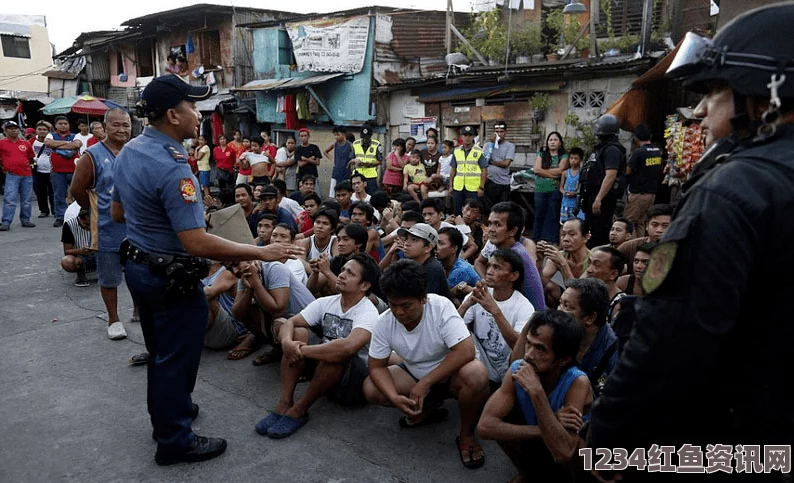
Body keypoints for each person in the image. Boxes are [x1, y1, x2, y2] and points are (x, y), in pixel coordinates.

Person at [588, 5, 794, 481]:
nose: (699, 110)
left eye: (716, 89)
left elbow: (670, 336)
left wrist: (611, 432)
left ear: (768, 94)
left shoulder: (735, 189)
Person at [112, 74, 304, 466]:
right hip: (171, 278)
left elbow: (118, 211)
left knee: (161, 351)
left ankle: (170, 412)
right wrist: (262, 253)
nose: (198, 114)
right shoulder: (175, 167)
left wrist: (161, 224)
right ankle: (174, 440)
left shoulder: (130, 149)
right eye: (191, 107)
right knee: (175, 358)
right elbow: (196, 242)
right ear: (172, 114)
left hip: (139, 265)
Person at [363, 260, 491, 469]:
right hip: (414, 371)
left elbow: (465, 351)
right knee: (372, 388)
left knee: (476, 374)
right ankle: (430, 407)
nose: (399, 312)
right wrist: (394, 397)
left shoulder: (440, 306)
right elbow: (376, 366)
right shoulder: (385, 321)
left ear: (423, 298)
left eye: (406, 305)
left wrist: (426, 383)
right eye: (393, 305)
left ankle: (467, 434)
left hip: (452, 373)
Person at [255, 253, 381, 438]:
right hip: (324, 374)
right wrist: (288, 343)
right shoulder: (326, 302)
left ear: (365, 285)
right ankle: (284, 403)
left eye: (350, 273)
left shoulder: (368, 311)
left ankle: (300, 409)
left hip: (352, 382)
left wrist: (302, 350)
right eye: (343, 270)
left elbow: (348, 347)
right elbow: (290, 322)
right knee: (296, 332)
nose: (342, 275)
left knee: (335, 353)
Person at [478, 310, 591, 482]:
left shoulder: (577, 381)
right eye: (528, 344)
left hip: (573, 453)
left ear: (563, 359)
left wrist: (536, 392)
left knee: (579, 450)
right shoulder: (518, 368)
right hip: (543, 434)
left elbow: (565, 451)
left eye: (540, 349)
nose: (529, 355)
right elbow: (485, 427)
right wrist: (548, 425)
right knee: (503, 421)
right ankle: (527, 473)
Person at [70, 108, 134, 340]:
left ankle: (138, 310)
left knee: (139, 272)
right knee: (109, 277)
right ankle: (114, 319)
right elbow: (77, 189)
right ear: (105, 127)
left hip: (136, 227)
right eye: (116, 125)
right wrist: (89, 210)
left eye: (126, 125)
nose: (121, 130)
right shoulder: (92, 155)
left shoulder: (134, 151)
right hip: (106, 227)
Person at [459, 249, 534, 387]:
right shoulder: (480, 294)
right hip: (482, 360)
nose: (489, 271)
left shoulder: (524, 306)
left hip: (509, 365)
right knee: (461, 336)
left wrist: (495, 311)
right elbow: (453, 328)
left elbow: (519, 347)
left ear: (514, 276)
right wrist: (466, 305)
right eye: (489, 266)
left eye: (497, 267)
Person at [579, 114, 626, 248]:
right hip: (593, 197)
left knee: (599, 234)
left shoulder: (612, 149)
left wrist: (598, 198)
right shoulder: (602, 148)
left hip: (603, 200)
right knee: (590, 232)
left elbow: (611, 174)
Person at [624, 123, 663, 238]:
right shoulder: (657, 150)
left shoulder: (639, 152)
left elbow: (627, 171)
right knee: (641, 223)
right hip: (651, 193)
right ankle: (640, 247)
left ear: (636, 137)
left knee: (629, 223)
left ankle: (631, 250)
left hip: (638, 194)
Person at [396, 223, 450, 298]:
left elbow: (427, 304)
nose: (407, 243)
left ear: (428, 247)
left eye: (414, 240)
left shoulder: (432, 269)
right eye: (406, 239)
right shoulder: (410, 264)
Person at [46, 116, 83, 227]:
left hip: (74, 170)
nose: (63, 126)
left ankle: (79, 215)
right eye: (60, 123)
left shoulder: (75, 135)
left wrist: (57, 145)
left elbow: (77, 144)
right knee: (58, 195)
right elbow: (48, 143)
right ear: (56, 125)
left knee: (77, 193)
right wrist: (68, 145)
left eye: (65, 123)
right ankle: (60, 217)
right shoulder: (51, 135)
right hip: (57, 171)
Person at [533, 132, 569, 244]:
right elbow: (536, 170)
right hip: (540, 189)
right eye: (550, 140)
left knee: (552, 215)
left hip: (554, 190)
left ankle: (549, 240)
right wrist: (553, 174)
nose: (552, 142)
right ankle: (536, 239)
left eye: (555, 140)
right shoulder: (541, 154)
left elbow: (561, 171)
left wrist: (543, 172)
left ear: (560, 143)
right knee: (539, 214)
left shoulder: (564, 156)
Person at [0, 120, 35, 231]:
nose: (13, 130)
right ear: (5, 131)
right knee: (10, 199)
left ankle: (25, 220)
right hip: (12, 174)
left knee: (26, 199)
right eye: (10, 128)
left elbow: (30, 157)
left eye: (15, 128)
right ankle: (6, 222)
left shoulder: (25, 143)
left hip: (27, 174)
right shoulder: (1, 143)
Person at [448, 125, 487, 215]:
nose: (467, 138)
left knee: (472, 212)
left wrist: (481, 187)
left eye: (470, 135)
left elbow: (484, 170)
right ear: (461, 137)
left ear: (473, 137)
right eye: (465, 135)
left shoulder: (479, 151)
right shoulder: (456, 151)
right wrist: (451, 186)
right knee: (457, 211)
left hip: (473, 187)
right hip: (458, 186)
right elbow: (453, 170)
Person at [483, 121, 515, 213]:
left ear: (505, 132)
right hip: (489, 181)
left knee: (502, 210)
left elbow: (506, 163)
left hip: (503, 183)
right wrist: (492, 144)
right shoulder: (487, 145)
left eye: (501, 131)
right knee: (488, 210)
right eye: (497, 132)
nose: (499, 134)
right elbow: (485, 161)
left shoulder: (510, 146)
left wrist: (492, 162)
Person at [60, 207, 95, 286]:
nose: (88, 228)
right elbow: (67, 251)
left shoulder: (98, 221)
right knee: (67, 261)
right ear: (80, 219)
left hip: (100, 254)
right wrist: (80, 251)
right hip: (82, 256)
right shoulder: (69, 225)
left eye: (90, 224)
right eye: (86, 224)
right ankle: (81, 274)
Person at [30, 121, 55, 218]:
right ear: (36, 131)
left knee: (53, 192)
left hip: (52, 170)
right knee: (40, 192)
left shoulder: (52, 139)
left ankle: (55, 210)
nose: (42, 131)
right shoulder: (32, 141)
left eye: (44, 130)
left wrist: (45, 122)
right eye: (39, 129)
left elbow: (53, 129)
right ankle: (44, 211)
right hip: (38, 171)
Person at [351, 124, 382, 194]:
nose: (365, 140)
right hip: (357, 175)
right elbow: (351, 159)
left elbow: (380, 161)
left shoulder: (376, 144)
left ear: (371, 136)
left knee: (371, 196)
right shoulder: (355, 144)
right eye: (363, 137)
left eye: (367, 138)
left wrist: (369, 164)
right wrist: (355, 161)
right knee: (357, 196)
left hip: (370, 176)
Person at [326, 126, 355, 197]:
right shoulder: (335, 144)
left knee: (345, 194)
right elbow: (325, 152)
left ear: (343, 134)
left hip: (346, 174)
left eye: (338, 134)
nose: (336, 137)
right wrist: (332, 159)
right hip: (336, 173)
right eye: (335, 135)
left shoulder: (350, 145)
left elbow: (355, 156)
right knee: (332, 195)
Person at [559, 147, 585, 224]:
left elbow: (582, 188)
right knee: (564, 224)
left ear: (580, 159)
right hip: (565, 203)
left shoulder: (582, 173)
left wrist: (575, 193)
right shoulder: (565, 173)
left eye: (576, 158)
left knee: (576, 224)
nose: (573, 160)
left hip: (576, 204)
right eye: (571, 158)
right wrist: (564, 192)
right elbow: (561, 187)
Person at [295, 128, 322, 193]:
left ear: (308, 136)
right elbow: (300, 164)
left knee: (317, 194)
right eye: (301, 136)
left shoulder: (315, 147)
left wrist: (305, 159)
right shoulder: (298, 149)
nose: (303, 138)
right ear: (299, 137)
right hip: (302, 176)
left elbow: (317, 162)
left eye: (305, 136)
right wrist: (310, 159)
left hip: (313, 175)